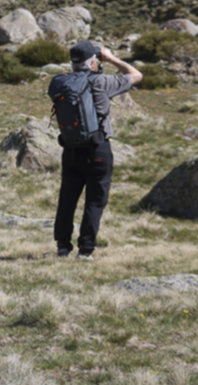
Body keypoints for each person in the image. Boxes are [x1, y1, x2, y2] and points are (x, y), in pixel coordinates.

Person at [54, 41, 142, 260]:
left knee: (67, 199)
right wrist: (111, 59)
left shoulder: (60, 83)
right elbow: (136, 75)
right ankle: (85, 250)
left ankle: (63, 247)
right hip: (98, 149)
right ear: (94, 62)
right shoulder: (102, 81)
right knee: (94, 201)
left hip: (71, 149)